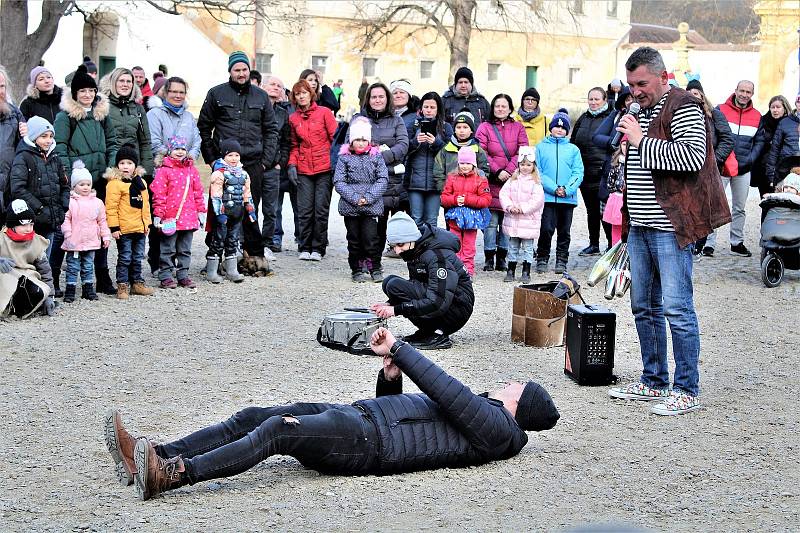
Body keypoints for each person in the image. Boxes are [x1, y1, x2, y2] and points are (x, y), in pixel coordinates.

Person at [104, 326, 560, 500]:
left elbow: (446, 391)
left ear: (522, 401)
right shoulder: (490, 416)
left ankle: (173, 475)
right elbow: (420, 409)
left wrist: (402, 346)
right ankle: (154, 454)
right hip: (363, 418)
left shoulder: (501, 430)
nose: (509, 381)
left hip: (368, 443)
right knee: (255, 415)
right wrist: (391, 374)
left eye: (518, 384)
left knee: (275, 432)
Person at [608, 46, 730, 415]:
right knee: (643, 306)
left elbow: (692, 157)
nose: (636, 91)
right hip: (641, 226)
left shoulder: (684, 106)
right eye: (631, 85)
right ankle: (654, 380)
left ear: (663, 77)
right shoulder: (640, 112)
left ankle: (686, 389)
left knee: (677, 308)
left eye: (642, 83)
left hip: (671, 227)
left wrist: (641, 141)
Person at [198, 52, 278, 271]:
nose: (241, 74)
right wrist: (213, 159)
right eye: (237, 70)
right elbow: (204, 127)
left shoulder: (261, 96)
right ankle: (216, 256)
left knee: (250, 211)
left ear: (248, 71)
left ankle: (254, 257)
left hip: (253, 163)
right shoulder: (216, 94)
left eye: (244, 70)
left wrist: (265, 162)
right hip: (223, 166)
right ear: (230, 71)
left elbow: (271, 130)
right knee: (220, 211)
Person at [54, 64, 120, 295]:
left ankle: (101, 277)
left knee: (99, 227)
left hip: (99, 180)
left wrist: (110, 167)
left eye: (91, 91)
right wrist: (69, 174)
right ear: (74, 93)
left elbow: (112, 142)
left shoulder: (102, 115)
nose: (87, 95)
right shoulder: (65, 117)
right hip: (76, 182)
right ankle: (56, 277)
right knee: (69, 227)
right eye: (82, 91)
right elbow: (60, 147)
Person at [370, 212, 474, 350]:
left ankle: (438, 334)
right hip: (442, 301)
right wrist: (390, 304)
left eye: (400, 244)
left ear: (412, 237)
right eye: (393, 246)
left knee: (394, 285)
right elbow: (417, 287)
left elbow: (438, 301)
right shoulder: (415, 250)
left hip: (456, 309)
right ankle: (428, 331)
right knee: (390, 284)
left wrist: (396, 309)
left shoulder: (436, 256)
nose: (397, 250)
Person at [146, 76, 201, 276]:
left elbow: (196, 140)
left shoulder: (188, 117)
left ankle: (181, 267)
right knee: (162, 221)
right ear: (165, 93)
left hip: (185, 176)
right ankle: (159, 264)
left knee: (184, 222)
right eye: (174, 91)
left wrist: (190, 156)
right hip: (165, 173)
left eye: (181, 92)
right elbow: (154, 140)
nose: (178, 95)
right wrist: (172, 156)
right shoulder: (155, 114)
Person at [9, 116, 68, 297]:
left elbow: (64, 183)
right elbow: (18, 188)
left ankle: (45, 293)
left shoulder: (55, 156)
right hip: (34, 220)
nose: (48, 140)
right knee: (31, 259)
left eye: (50, 136)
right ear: (34, 137)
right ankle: (29, 294)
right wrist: (39, 209)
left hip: (52, 216)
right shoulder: (24, 157)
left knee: (46, 259)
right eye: (43, 136)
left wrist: (63, 205)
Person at [351, 82, 409, 253]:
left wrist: (382, 157)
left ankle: (375, 263)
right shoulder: (358, 119)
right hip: (362, 177)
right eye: (373, 97)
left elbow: (403, 144)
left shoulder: (396, 120)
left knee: (381, 221)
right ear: (368, 99)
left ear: (387, 98)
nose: (377, 100)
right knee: (362, 222)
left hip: (388, 177)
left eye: (381, 96)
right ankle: (360, 261)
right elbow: (349, 144)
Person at [475, 93, 528, 273]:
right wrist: (497, 170)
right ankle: (489, 257)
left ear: (510, 108)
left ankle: (503, 258)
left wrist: (508, 171)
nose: (500, 109)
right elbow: (481, 151)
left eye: (504, 106)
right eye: (497, 106)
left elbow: (522, 151)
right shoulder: (484, 127)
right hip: (491, 180)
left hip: (511, 182)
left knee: (507, 222)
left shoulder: (518, 127)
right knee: (490, 223)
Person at [332, 117, 389, 282]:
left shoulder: (376, 157)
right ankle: (356, 269)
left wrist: (368, 197)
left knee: (371, 239)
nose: (361, 143)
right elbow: (339, 181)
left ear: (369, 141)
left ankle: (375, 267)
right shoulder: (344, 158)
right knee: (354, 239)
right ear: (351, 141)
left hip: (371, 205)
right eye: (357, 139)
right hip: (351, 206)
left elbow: (382, 179)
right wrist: (355, 198)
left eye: (364, 139)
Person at [287, 79, 337, 261]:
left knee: (320, 210)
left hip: (324, 168)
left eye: (304, 92)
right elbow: (294, 145)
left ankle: (318, 247)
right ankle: (304, 246)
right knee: (305, 210)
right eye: (298, 93)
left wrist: (335, 163)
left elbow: (335, 139)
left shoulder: (324, 113)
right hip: (303, 168)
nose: (301, 96)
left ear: (311, 94)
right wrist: (292, 165)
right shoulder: (293, 119)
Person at [710, 80, 761, 258]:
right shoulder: (720, 110)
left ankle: (736, 242)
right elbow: (713, 134)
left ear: (752, 94)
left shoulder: (757, 116)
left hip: (743, 167)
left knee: (740, 207)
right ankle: (709, 243)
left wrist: (750, 159)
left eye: (748, 92)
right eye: (742, 91)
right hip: (722, 165)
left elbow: (760, 142)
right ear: (736, 91)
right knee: (713, 204)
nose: (744, 95)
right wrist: (717, 158)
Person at [685, 79, 735, 255]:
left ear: (702, 96)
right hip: (688, 170)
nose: (693, 96)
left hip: (709, 169)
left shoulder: (714, 114)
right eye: (689, 93)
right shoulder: (679, 113)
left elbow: (727, 139)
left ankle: (700, 245)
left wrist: (715, 159)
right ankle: (689, 242)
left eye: (696, 93)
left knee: (706, 208)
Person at [150, 135, 206, 289]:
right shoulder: (163, 171)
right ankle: (166, 276)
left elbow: (198, 192)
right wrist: (158, 214)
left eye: (183, 148)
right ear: (169, 151)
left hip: (189, 217)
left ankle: (183, 275)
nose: (180, 152)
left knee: (185, 249)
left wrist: (201, 211)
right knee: (168, 249)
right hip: (170, 218)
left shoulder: (192, 170)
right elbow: (159, 194)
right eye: (176, 149)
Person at [534, 109, 584, 275]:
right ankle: (542, 257)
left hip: (567, 198)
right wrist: (554, 188)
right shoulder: (541, 147)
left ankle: (562, 259)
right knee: (546, 229)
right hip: (548, 197)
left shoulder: (573, 149)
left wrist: (567, 189)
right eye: (557, 127)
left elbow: (578, 172)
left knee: (564, 231)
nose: (560, 130)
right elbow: (538, 171)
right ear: (551, 128)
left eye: (563, 128)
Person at [104, 144, 154, 300]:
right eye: (122, 163)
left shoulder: (141, 183)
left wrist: (147, 224)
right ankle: (122, 285)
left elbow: (146, 205)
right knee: (125, 257)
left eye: (129, 163)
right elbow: (111, 207)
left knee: (137, 256)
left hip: (139, 228)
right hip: (124, 229)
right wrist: (114, 227)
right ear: (117, 165)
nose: (126, 166)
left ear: (135, 165)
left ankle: (137, 283)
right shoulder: (114, 184)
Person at [61, 160, 111, 302]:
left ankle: (87, 289)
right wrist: (68, 234)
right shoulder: (70, 202)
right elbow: (66, 219)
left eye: (88, 184)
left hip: (91, 241)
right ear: (74, 186)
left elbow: (102, 220)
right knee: (72, 266)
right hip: (74, 241)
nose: (85, 187)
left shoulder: (97, 202)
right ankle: (70, 289)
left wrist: (105, 236)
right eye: (81, 184)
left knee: (88, 266)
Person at [571, 87, 613, 256]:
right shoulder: (583, 118)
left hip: (602, 173)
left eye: (597, 99)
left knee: (606, 212)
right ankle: (593, 243)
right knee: (591, 211)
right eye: (591, 99)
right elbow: (574, 142)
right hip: (585, 173)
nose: (593, 102)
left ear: (604, 100)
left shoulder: (609, 118)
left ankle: (611, 244)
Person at [0, 199, 56, 318]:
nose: (28, 228)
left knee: (40, 290)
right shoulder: (1, 239)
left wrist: (49, 296)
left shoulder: (36, 241)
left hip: (27, 278)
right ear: (12, 225)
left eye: (31, 224)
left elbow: (45, 271)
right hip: (5, 278)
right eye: (23, 224)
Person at [440, 146, 491, 276]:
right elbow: (444, 198)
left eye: (468, 163)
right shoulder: (452, 177)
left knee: (469, 246)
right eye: (462, 163)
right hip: (455, 219)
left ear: (473, 164)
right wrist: (456, 199)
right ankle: (455, 270)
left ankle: (468, 270)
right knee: (454, 244)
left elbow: (485, 200)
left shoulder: (480, 179)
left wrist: (467, 199)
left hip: (472, 220)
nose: (465, 166)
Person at [206, 139, 252, 283]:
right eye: (230, 155)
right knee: (218, 241)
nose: (234, 158)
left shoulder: (244, 174)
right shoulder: (219, 174)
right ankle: (212, 271)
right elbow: (216, 196)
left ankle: (232, 270)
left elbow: (247, 193)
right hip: (223, 213)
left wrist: (250, 210)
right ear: (224, 156)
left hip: (237, 213)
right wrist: (219, 214)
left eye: (236, 155)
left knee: (233, 241)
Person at [405, 91, 453, 227]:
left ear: (438, 109)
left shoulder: (445, 127)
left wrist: (436, 142)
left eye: (432, 107)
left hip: (436, 182)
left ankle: (430, 248)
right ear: (421, 108)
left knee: (432, 220)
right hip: (415, 181)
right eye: (426, 107)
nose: (429, 110)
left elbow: (451, 153)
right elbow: (404, 150)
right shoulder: (413, 126)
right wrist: (415, 141)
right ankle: (417, 248)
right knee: (416, 219)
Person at [500, 146, 544, 283]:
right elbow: (504, 194)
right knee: (512, 247)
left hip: (528, 221)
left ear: (533, 166)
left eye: (528, 165)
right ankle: (511, 270)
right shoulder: (513, 180)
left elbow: (537, 201)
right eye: (522, 164)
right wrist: (509, 206)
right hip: (514, 220)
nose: (525, 167)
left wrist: (523, 208)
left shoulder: (535, 183)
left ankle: (526, 271)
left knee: (528, 248)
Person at [100, 68, 154, 179]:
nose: (125, 84)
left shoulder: (138, 109)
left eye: (129, 81)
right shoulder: (102, 107)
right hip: (110, 169)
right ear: (113, 82)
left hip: (133, 168)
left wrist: (147, 173)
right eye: (121, 81)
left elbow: (145, 142)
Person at [261, 76, 292, 254]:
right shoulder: (256, 109)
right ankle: (248, 244)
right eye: (272, 84)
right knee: (249, 206)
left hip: (274, 167)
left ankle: (267, 243)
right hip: (255, 165)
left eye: (280, 86)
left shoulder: (282, 113)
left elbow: (286, 142)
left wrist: (281, 162)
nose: (276, 88)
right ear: (263, 87)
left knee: (271, 209)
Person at [433, 110, 490, 190]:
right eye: (458, 127)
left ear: (471, 130)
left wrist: (475, 188)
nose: (462, 130)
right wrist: (445, 189)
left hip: (472, 195)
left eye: (465, 127)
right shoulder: (446, 149)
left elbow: (484, 172)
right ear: (454, 130)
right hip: (450, 196)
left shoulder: (477, 150)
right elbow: (438, 172)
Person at [0, 66, 28, 224]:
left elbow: (24, 151)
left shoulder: (15, 114)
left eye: (2, 86)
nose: (0, 91)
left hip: (9, 190)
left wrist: (26, 135)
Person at [751, 95, 792, 198]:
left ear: (785, 108)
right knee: (766, 201)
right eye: (772, 107)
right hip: (764, 170)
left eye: (778, 107)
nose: (775, 110)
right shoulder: (763, 122)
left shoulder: (791, 124)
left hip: (785, 169)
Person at [766, 93, 800, 190]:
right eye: (798, 102)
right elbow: (775, 150)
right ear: (795, 103)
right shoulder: (785, 122)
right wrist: (771, 174)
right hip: (786, 171)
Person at [602, 139, 627, 246]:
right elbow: (610, 183)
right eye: (624, 144)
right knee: (616, 229)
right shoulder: (617, 163)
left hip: (630, 199)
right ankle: (614, 250)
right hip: (617, 198)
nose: (626, 147)